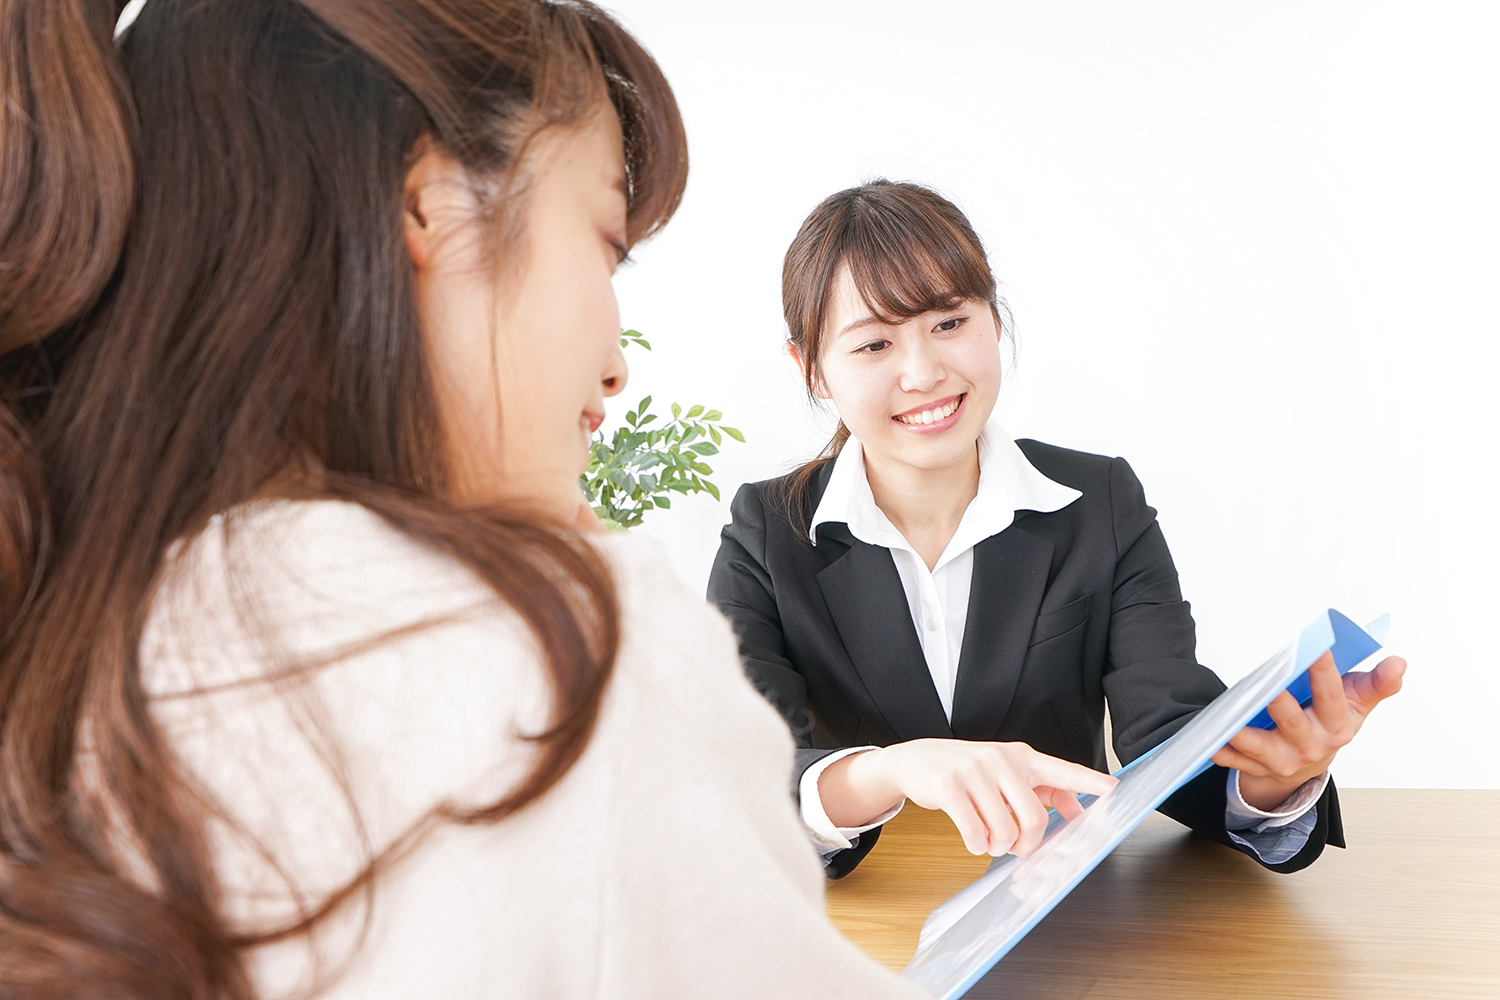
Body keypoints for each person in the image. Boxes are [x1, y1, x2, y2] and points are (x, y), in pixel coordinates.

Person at [0, 4, 937, 998]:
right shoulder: (569, 654)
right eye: (607, 243)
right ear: (432, 208)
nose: (618, 364)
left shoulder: (59, 624)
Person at [707, 180, 1406, 878]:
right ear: (812, 371)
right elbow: (737, 774)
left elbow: (1167, 741)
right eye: (873, 345)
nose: (922, 373)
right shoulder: (767, 534)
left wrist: (1273, 778)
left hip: (1062, 911)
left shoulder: (1099, 503)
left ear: (995, 321)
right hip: (853, 933)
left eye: (949, 323)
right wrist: (893, 771)